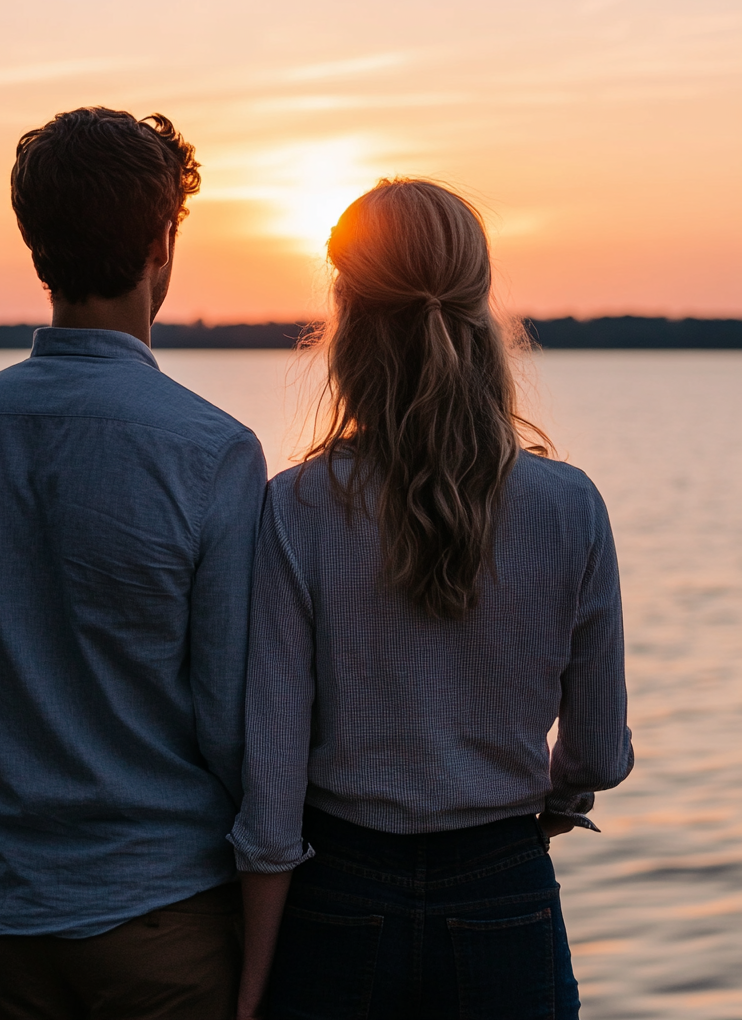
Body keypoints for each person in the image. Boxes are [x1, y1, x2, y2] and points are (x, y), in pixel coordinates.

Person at [0, 107, 267, 1020]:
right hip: (164, 920)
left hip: (3, 925)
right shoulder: (212, 453)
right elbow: (231, 729)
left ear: (35, 246)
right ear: (163, 245)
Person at [230, 180, 634, 1019]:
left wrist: (249, 982)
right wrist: (554, 798)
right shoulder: (570, 507)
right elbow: (596, 753)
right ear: (482, 309)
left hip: (334, 893)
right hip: (503, 885)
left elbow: (270, 783)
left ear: (347, 316)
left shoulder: (294, 507)